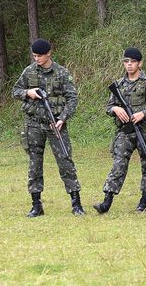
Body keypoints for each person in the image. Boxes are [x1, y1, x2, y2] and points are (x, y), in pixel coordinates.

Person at [12, 39, 85, 217]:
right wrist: (27, 92)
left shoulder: (61, 72)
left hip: (56, 125)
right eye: (34, 56)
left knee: (66, 162)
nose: (37, 59)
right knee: (34, 165)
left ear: (49, 53)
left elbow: (72, 98)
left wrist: (63, 118)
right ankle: (36, 205)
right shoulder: (29, 72)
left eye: (40, 56)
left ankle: (76, 204)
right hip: (34, 124)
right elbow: (15, 90)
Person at [94, 47, 146, 214]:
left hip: (144, 130)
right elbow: (108, 106)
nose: (129, 65)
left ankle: (144, 201)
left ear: (140, 63)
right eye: (126, 62)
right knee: (118, 165)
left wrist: (143, 114)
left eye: (133, 62)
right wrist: (116, 110)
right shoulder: (118, 85)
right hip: (125, 131)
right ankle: (106, 201)